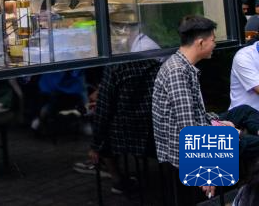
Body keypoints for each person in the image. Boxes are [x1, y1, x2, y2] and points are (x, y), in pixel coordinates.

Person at [152, 15, 238, 202]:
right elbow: (188, 127)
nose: (215, 45)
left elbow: (194, 117)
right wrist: (205, 172)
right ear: (200, 42)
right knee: (250, 145)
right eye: (213, 40)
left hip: (192, 141)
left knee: (242, 115)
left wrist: (218, 123)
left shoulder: (183, 66)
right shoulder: (178, 71)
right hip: (181, 156)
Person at [72, 59, 161, 195]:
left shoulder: (117, 68)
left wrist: (95, 146)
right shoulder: (160, 64)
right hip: (157, 132)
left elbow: (103, 111)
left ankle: (117, 179)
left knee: (104, 133)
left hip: (129, 135)